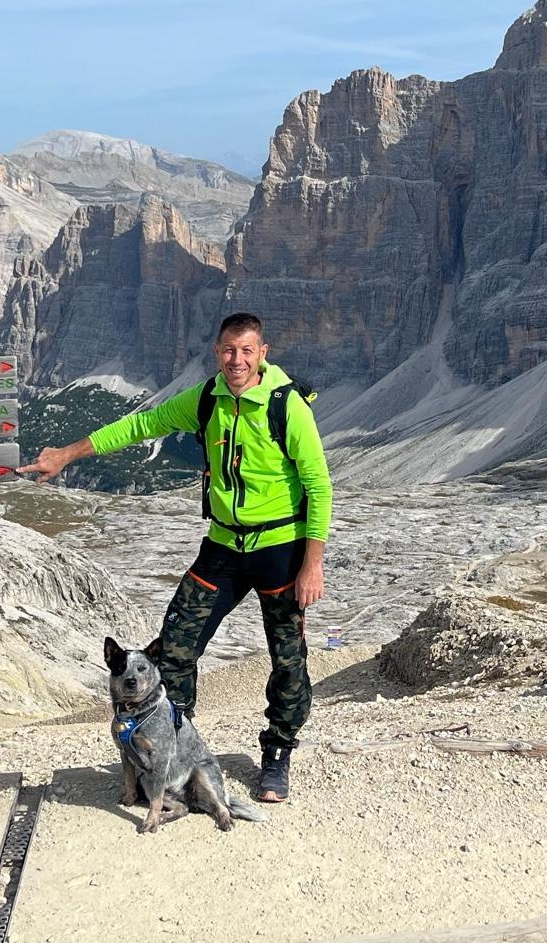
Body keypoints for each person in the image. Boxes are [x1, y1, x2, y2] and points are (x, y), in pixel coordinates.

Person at [18, 311, 332, 804]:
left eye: (247, 351)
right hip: (223, 546)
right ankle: (173, 751)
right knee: (176, 647)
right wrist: (67, 454)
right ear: (217, 352)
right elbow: (142, 424)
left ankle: (277, 752)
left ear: (263, 353)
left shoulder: (286, 406)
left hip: (280, 549)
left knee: (287, 658)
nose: (237, 360)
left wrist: (312, 564)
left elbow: (319, 486)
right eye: (229, 350)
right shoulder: (206, 399)